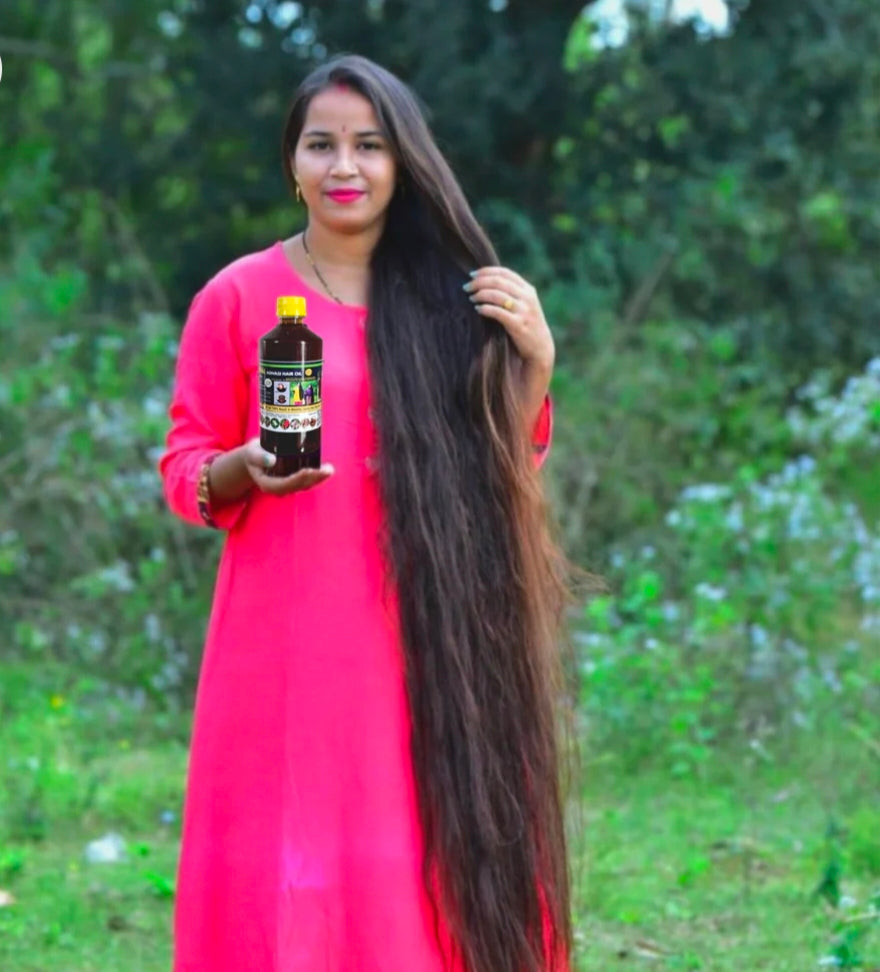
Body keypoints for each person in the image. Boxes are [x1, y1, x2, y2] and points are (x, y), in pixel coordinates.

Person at [159, 53, 578, 972]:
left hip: (428, 632)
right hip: (282, 636)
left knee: (410, 851)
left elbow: (505, 463)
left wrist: (534, 363)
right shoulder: (239, 296)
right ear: (292, 163)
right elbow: (184, 465)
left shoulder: (449, 301)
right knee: (285, 859)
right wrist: (243, 467)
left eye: (369, 145)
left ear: (403, 161)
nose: (344, 166)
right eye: (321, 145)